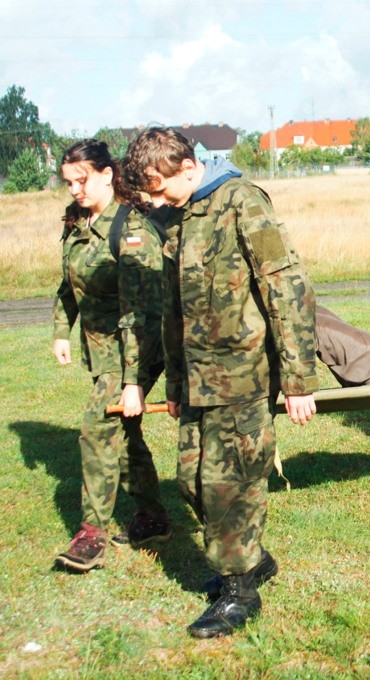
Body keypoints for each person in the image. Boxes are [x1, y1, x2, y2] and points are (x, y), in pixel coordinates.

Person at [122, 127, 319, 639]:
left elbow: (287, 287)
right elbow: (173, 310)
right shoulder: (180, 215)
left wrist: (298, 379)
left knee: (228, 485)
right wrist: (171, 381)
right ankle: (253, 559)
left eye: (159, 188)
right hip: (196, 379)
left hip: (243, 374)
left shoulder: (243, 202)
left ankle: (239, 592)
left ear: (188, 168)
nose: (154, 201)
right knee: (191, 482)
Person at [52, 139, 170, 573]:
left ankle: (91, 535)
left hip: (138, 349)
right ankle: (153, 518)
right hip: (102, 351)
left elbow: (143, 315)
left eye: (81, 180)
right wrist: (61, 330)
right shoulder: (78, 225)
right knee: (125, 432)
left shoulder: (131, 230)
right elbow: (69, 283)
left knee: (97, 429)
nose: (75, 190)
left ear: (107, 175)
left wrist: (132, 381)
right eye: (69, 183)